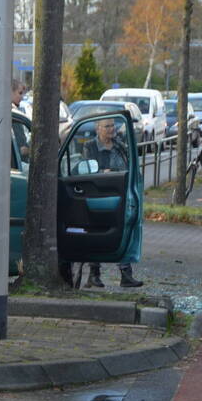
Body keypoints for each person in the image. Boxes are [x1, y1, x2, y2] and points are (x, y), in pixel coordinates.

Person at [81, 117, 143, 288]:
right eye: (107, 126)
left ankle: (126, 275)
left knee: (123, 232)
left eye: (113, 125)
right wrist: (103, 172)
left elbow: (129, 166)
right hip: (98, 195)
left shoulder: (120, 145)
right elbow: (87, 168)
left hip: (119, 194)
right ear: (98, 129)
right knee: (96, 233)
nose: (111, 129)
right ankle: (94, 274)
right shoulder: (90, 146)